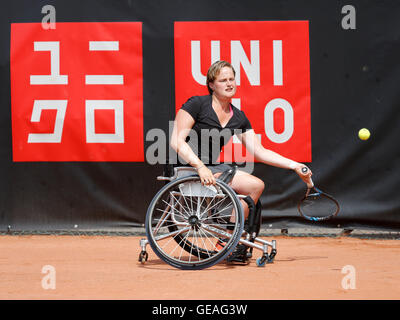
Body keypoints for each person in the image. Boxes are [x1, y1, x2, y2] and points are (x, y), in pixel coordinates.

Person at [170, 60, 312, 262]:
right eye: (222, 80)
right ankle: (230, 241)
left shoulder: (238, 117)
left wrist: (295, 165)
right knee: (251, 185)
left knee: (255, 186)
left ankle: (226, 240)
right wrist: (199, 166)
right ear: (211, 84)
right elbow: (176, 140)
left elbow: (260, 152)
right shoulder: (197, 104)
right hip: (186, 167)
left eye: (231, 79)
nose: (229, 84)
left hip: (213, 169)